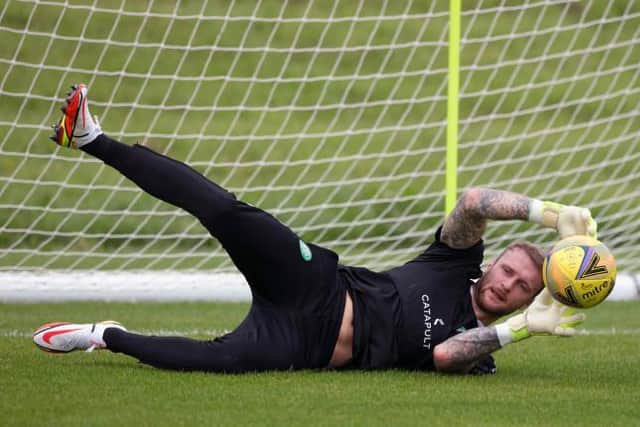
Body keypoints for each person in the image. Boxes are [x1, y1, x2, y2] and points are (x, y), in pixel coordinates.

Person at [33, 84, 596, 374]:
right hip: (320, 285)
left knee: (216, 362)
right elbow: (473, 201)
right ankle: (89, 138)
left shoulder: (483, 350)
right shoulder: (456, 263)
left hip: (305, 345)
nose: (506, 284)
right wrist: (548, 214)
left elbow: (446, 357)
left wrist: (527, 327)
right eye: (508, 270)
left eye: (523, 286)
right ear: (493, 262)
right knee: (228, 213)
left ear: (533, 296)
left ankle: (103, 335)